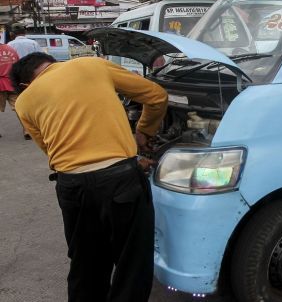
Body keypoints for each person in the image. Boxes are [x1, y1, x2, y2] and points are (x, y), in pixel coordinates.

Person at [10, 52, 168, 301]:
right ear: (53, 63)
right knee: (132, 265)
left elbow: (49, 149)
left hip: (72, 186)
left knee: (86, 265)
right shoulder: (90, 64)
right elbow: (157, 96)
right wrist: (142, 133)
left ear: (24, 85)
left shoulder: (23, 102)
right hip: (121, 182)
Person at [0, 43, 22, 138]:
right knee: (19, 108)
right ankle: (27, 131)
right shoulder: (11, 49)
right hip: (11, 83)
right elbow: (18, 66)